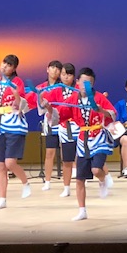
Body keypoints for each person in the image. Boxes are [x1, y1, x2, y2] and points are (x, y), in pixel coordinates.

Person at [45, 67, 116, 221]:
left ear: (93, 84)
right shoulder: (72, 100)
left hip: (99, 137)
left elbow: (112, 114)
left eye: (89, 83)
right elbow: (59, 115)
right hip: (83, 139)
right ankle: (82, 210)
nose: (85, 86)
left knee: (96, 169)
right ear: (77, 82)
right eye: (83, 82)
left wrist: (101, 110)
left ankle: (103, 180)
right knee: (79, 179)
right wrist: (49, 108)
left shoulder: (99, 97)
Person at [0, 54, 32, 210]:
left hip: (15, 125)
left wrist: (16, 94)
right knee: (1, 165)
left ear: (14, 68)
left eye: (9, 65)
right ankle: (2, 199)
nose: (5, 66)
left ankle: (25, 182)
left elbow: (21, 103)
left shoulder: (17, 82)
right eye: (4, 63)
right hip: (1, 124)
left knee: (10, 162)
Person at [40, 62, 79, 197]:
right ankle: (48, 181)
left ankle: (80, 177)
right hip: (56, 123)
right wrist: (44, 103)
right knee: (51, 152)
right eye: (63, 74)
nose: (66, 77)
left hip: (74, 125)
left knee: (74, 154)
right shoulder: (53, 89)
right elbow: (45, 105)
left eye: (69, 74)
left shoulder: (78, 89)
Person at [30, 60, 63, 191]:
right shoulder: (41, 87)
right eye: (52, 67)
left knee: (67, 151)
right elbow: (39, 107)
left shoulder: (63, 87)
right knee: (50, 152)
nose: (55, 70)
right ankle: (47, 181)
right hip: (50, 122)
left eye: (58, 68)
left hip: (63, 120)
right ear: (47, 69)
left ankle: (75, 178)